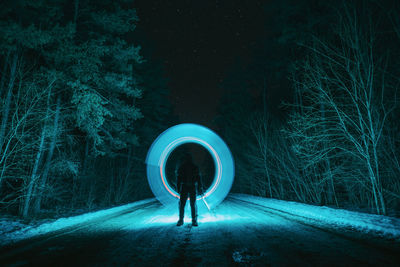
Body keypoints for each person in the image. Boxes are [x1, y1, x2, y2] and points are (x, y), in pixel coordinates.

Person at [176, 153, 203, 227]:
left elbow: (179, 178)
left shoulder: (182, 167)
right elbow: (198, 178)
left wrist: (178, 188)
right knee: (191, 204)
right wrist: (200, 187)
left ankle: (182, 220)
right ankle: (193, 220)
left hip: (186, 186)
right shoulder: (194, 167)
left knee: (184, 204)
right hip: (190, 186)